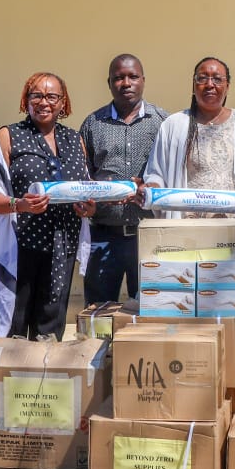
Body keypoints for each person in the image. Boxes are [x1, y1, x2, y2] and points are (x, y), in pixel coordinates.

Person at [0, 72, 94, 341]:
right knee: (16, 323)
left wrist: (87, 208)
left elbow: (84, 190)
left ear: (63, 103)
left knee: (51, 325)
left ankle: (45, 380)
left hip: (62, 248)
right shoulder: (8, 137)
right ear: (25, 100)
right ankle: (13, 383)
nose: (44, 102)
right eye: (36, 95)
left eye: (52, 96)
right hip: (20, 247)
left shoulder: (75, 141)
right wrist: (19, 204)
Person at [79, 54, 166, 302]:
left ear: (143, 81)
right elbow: (83, 175)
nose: (126, 83)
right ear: (109, 83)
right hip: (104, 235)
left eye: (133, 76)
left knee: (150, 310)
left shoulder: (163, 122)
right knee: (98, 312)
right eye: (118, 78)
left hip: (149, 235)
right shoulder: (92, 124)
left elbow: (171, 174)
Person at [142, 57, 235, 218]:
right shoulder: (173, 125)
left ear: (227, 87)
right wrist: (151, 187)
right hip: (187, 229)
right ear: (193, 85)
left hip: (234, 228)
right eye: (202, 78)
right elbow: (156, 172)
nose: (210, 84)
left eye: (217, 79)